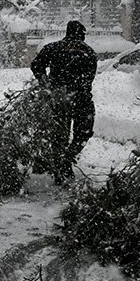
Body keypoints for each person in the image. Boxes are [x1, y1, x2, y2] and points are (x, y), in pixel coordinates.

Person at [29, 20, 98, 182]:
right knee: (83, 133)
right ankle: (67, 160)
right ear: (81, 34)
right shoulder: (89, 52)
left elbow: (36, 65)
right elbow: (89, 79)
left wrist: (44, 82)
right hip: (82, 100)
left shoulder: (53, 48)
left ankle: (58, 164)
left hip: (58, 98)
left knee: (59, 135)